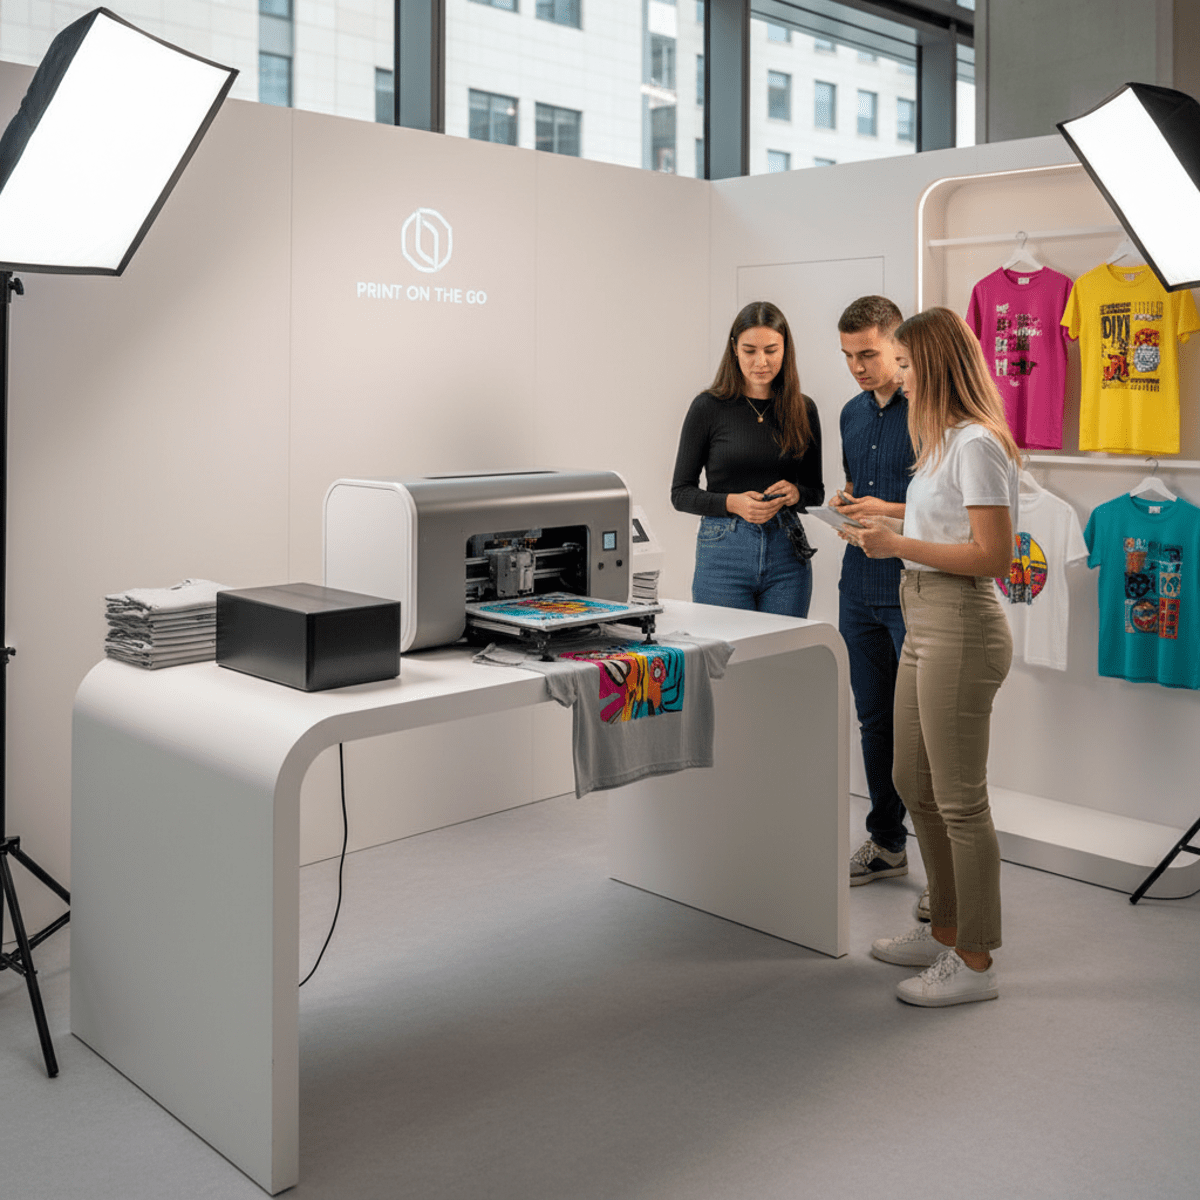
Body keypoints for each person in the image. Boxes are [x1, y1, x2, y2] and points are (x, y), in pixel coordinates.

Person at [840, 306, 1019, 1008]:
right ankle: (943, 926)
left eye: (908, 364)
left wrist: (899, 544)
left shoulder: (977, 442)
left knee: (960, 800)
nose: (898, 376)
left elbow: (992, 557)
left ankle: (975, 962)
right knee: (913, 780)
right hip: (925, 615)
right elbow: (940, 520)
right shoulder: (941, 444)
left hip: (961, 622)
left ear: (937, 366)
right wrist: (880, 514)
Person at [829, 296, 917, 893]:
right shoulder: (848, 414)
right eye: (848, 356)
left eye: (868, 353)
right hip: (857, 588)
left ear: (895, 343)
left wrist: (886, 511)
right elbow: (860, 489)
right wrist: (845, 504)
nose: (858, 366)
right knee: (873, 720)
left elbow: (950, 513)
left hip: (914, 588)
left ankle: (946, 875)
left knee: (924, 733)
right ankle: (887, 844)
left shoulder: (932, 412)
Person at [671, 301, 823, 617]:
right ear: (734, 349)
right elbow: (680, 493)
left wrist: (796, 494)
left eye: (771, 350)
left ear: (785, 350)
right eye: (750, 350)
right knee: (727, 659)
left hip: (787, 555)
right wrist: (733, 503)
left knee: (781, 660)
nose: (761, 361)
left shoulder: (803, 409)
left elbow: (815, 493)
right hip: (723, 552)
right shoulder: (708, 407)